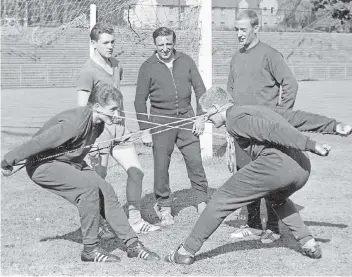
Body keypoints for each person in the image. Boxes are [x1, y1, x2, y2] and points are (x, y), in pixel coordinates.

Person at [164, 86, 352, 264]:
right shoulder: (252, 109)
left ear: (215, 107)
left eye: (206, 114)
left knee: (221, 198)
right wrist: (334, 126)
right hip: (301, 167)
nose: (206, 119)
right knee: (276, 197)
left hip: (277, 166)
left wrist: (311, 144)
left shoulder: (235, 119)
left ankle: (185, 251)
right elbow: (295, 118)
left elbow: (272, 131)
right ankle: (308, 242)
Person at [1, 84, 160, 263]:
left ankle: (132, 244)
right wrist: (9, 160)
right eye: (113, 109)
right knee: (88, 189)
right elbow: (38, 143)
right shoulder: (74, 124)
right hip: (43, 165)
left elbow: (76, 151)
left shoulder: (98, 123)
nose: (116, 114)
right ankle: (90, 250)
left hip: (69, 162)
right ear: (97, 107)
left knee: (106, 189)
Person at [77, 22, 160, 235]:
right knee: (99, 178)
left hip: (120, 130)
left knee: (137, 172)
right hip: (99, 133)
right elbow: (82, 108)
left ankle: (134, 220)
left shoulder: (117, 65)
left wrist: (120, 119)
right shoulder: (88, 71)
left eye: (112, 42)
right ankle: (99, 223)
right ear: (94, 43)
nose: (110, 46)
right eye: (105, 43)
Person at [227, 9, 299, 242]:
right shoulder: (236, 57)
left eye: (243, 29)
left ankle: (275, 228)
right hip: (242, 131)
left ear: (256, 28)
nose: (239, 34)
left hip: (265, 130)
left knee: (270, 178)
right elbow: (230, 91)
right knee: (247, 177)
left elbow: (290, 84)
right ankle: (254, 224)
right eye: (236, 29)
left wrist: (279, 116)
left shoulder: (270, 54)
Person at [134, 27, 209, 226]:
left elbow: (200, 89)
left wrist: (200, 116)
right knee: (161, 166)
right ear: (155, 45)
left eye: (169, 44)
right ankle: (164, 206)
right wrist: (145, 130)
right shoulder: (147, 66)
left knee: (195, 161)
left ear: (174, 43)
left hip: (186, 118)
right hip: (160, 121)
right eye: (161, 45)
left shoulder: (186, 61)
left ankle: (202, 200)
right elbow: (139, 101)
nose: (165, 48)